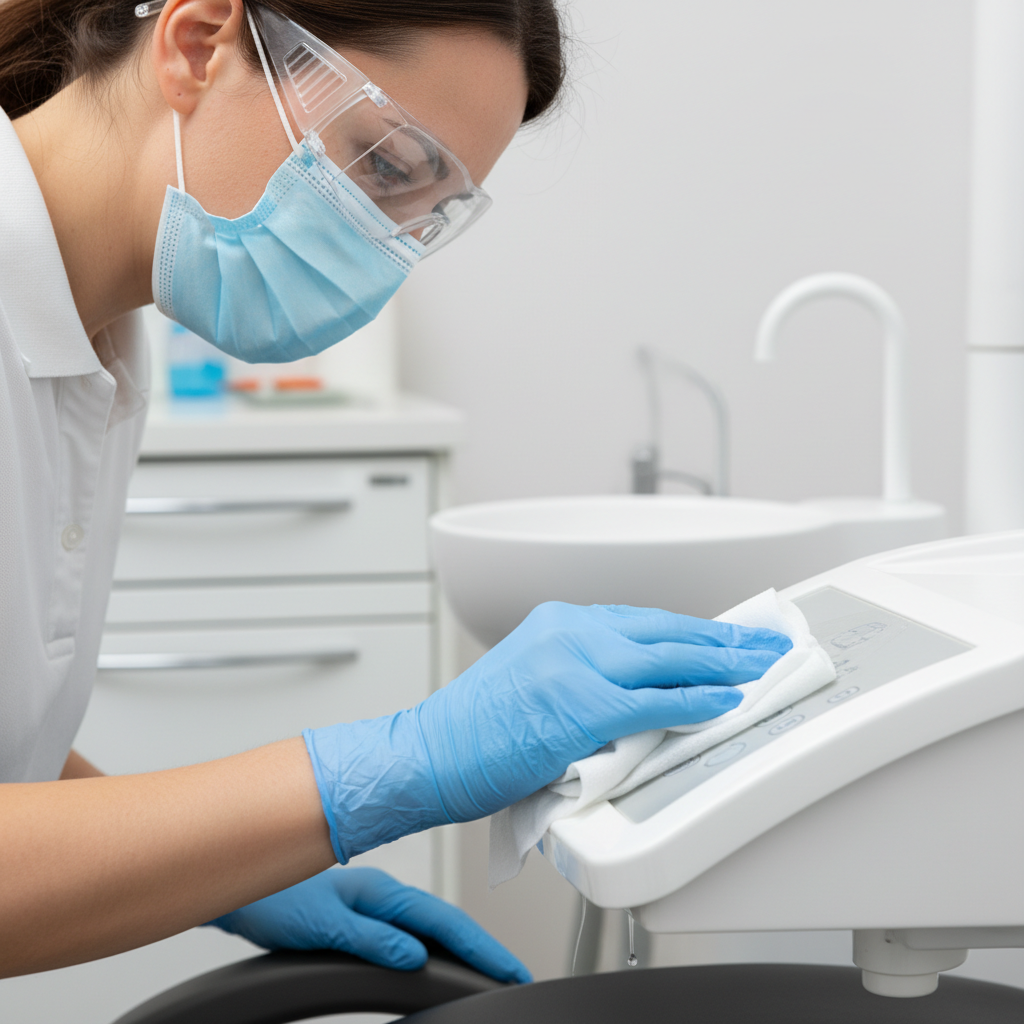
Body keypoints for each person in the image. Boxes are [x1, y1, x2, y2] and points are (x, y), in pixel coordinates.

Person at [0, 0, 793, 985]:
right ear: (199, 44)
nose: (378, 248)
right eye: (381, 165)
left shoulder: (97, 339)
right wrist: (384, 770)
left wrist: (222, 867)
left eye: (425, 210)